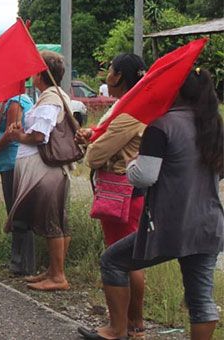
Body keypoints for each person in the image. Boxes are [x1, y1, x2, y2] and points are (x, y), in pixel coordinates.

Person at [78, 68, 224, 340]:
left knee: (113, 260)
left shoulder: (162, 126)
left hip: (171, 224)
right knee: (201, 297)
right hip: (208, 223)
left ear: (177, 91)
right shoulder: (213, 125)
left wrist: (132, 164)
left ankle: (117, 330)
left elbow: (144, 177)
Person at [76, 53, 147, 338]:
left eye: (110, 70)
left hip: (122, 192)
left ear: (118, 77)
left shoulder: (129, 111)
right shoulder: (129, 105)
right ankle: (131, 324)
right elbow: (105, 138)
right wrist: (93, 135)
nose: (107, 75)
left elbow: (96, 155)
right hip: (130, 191)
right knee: (128, 255)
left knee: (122, 257)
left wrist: (92, 145)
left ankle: (128, 325)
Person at [4, 51, 72, 291]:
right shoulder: (52, 96)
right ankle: (53, 271)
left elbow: (39, 136)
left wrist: (17, 135)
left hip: (46, 169)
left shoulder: (50, 98)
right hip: (46, 168)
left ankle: (58, 276)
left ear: (41, 73)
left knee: (52, 222)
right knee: (53, 221)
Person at [0, 92, 34, 275]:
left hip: (14, 162)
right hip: (8, 162)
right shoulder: (9, 102)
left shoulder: (15, 102)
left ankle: (22, 263)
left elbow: (11, 133)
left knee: (18, 213)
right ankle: (18, 259)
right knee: (14, 212)